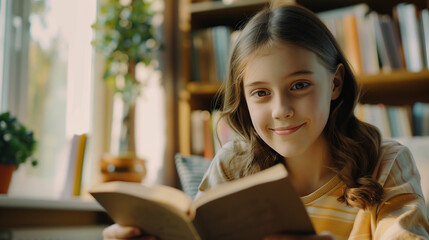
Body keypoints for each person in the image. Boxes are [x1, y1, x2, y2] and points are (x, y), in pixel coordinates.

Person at [103, 4, 429, 240]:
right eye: (260, 93)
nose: (281, 109)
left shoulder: (387, 163)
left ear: (335, 83)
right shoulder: (232, 166)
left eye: (299, 85)